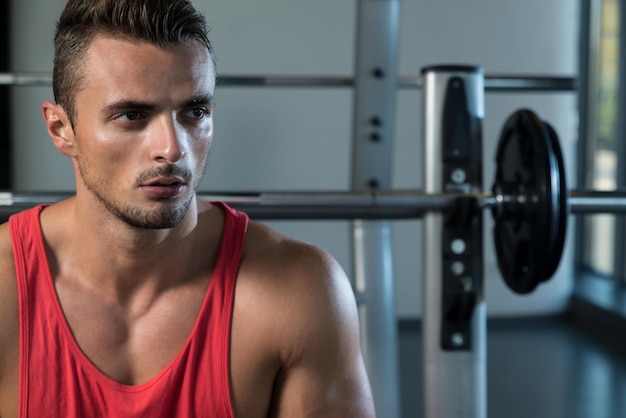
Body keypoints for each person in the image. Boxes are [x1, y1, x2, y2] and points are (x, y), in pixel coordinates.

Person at [0, 0, 375, 416]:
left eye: (195, 112)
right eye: (131, 115)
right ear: (61, 129)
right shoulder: (4, 288)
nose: (172, 148)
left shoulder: (297, 292)